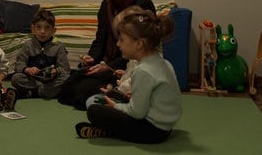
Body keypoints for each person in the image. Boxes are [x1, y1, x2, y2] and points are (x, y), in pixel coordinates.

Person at [57, 0, 156, 110]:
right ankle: (109, 95)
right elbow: (100, 39)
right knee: (67, 87)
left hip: (127, 66)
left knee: (82, 93)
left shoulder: (142, 4)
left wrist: (108, 67)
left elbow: (141, 48)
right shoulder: (107, 4)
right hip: (104, 63)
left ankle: (117, 97)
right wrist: (91, 58)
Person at [75, 8, 182, 144]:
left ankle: (107, 131)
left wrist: (115, 107)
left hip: (153, 131)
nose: (118, 44)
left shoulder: (143, 71)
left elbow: (137, 113)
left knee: (94, 111)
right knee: (116, 97)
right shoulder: (164, 62)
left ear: (139, 44)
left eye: (122, 39)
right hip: (166, 127)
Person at [11, 9, 71, 98]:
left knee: (67, 78)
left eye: (47, 27)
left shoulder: (59, 46)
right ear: (33, 29)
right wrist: (27, 69)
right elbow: (19, 65)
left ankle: (34, 93)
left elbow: (65, 69)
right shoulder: (27, 45)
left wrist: (56, 71)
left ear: (53, 30)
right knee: (16, 78)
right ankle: (47, 92)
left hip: (51, 80)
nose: (42, 31)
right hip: (33, 80)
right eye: (39, 27)